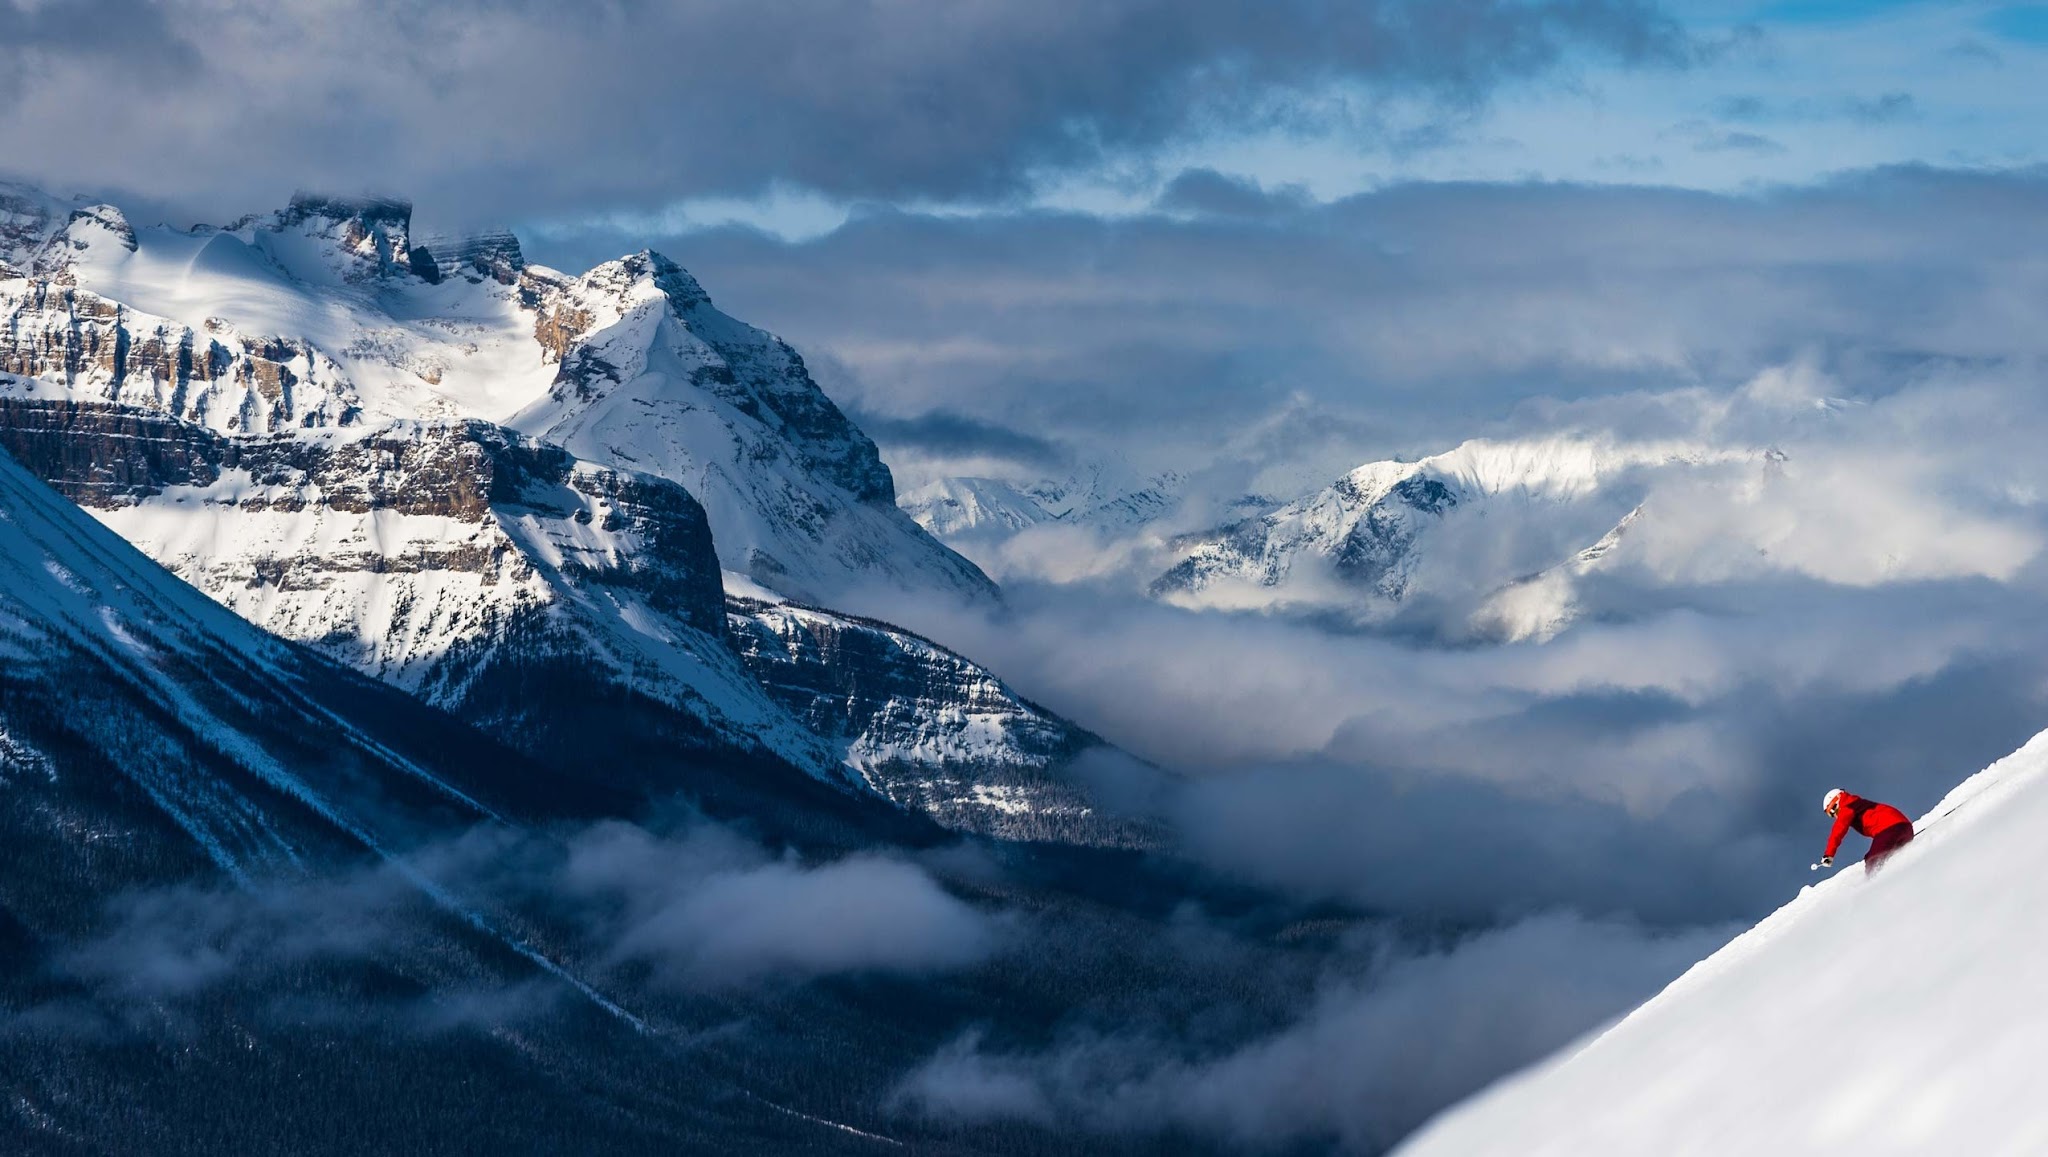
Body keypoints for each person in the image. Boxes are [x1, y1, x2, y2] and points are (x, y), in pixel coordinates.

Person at [1818, 788, 1914, 874]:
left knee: (1873, 860)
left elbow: (1838, 830)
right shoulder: (1855, 803)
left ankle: (1875, 885)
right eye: (1831, 815)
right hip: (1905, 828)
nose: (1835, 816)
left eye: (1833, 811)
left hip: (1890, 829)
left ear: (1837, 801)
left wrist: (1829, 854)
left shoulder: (1847, 806)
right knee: (1874, 856)